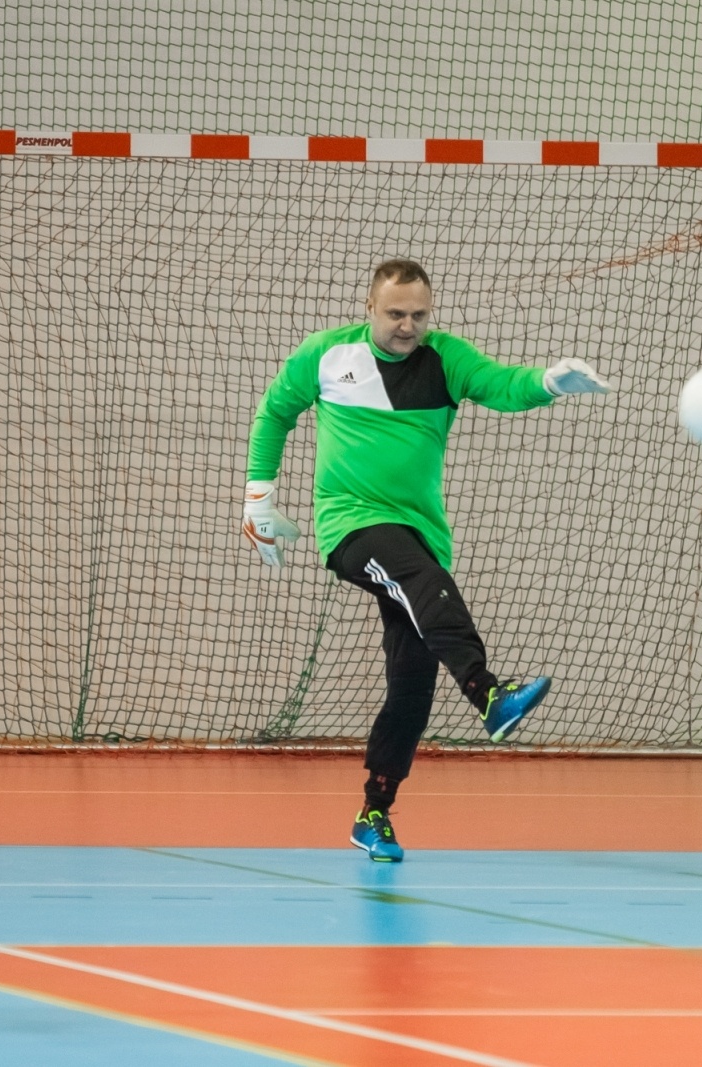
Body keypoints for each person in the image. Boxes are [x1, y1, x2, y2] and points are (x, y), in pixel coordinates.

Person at [243, 258, 610, 862]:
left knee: (411, 687)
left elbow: (500, 384)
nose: (407, 326)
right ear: (369, 309)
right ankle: (490, 694)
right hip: (351, 523)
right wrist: (259, 496)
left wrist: (549, 382)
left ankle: (373, 814)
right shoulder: (327, 355)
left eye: (418, 314)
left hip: (422, 534)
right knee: (418, 577)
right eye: (395, 314)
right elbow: (276, 411)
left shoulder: (445, 359)